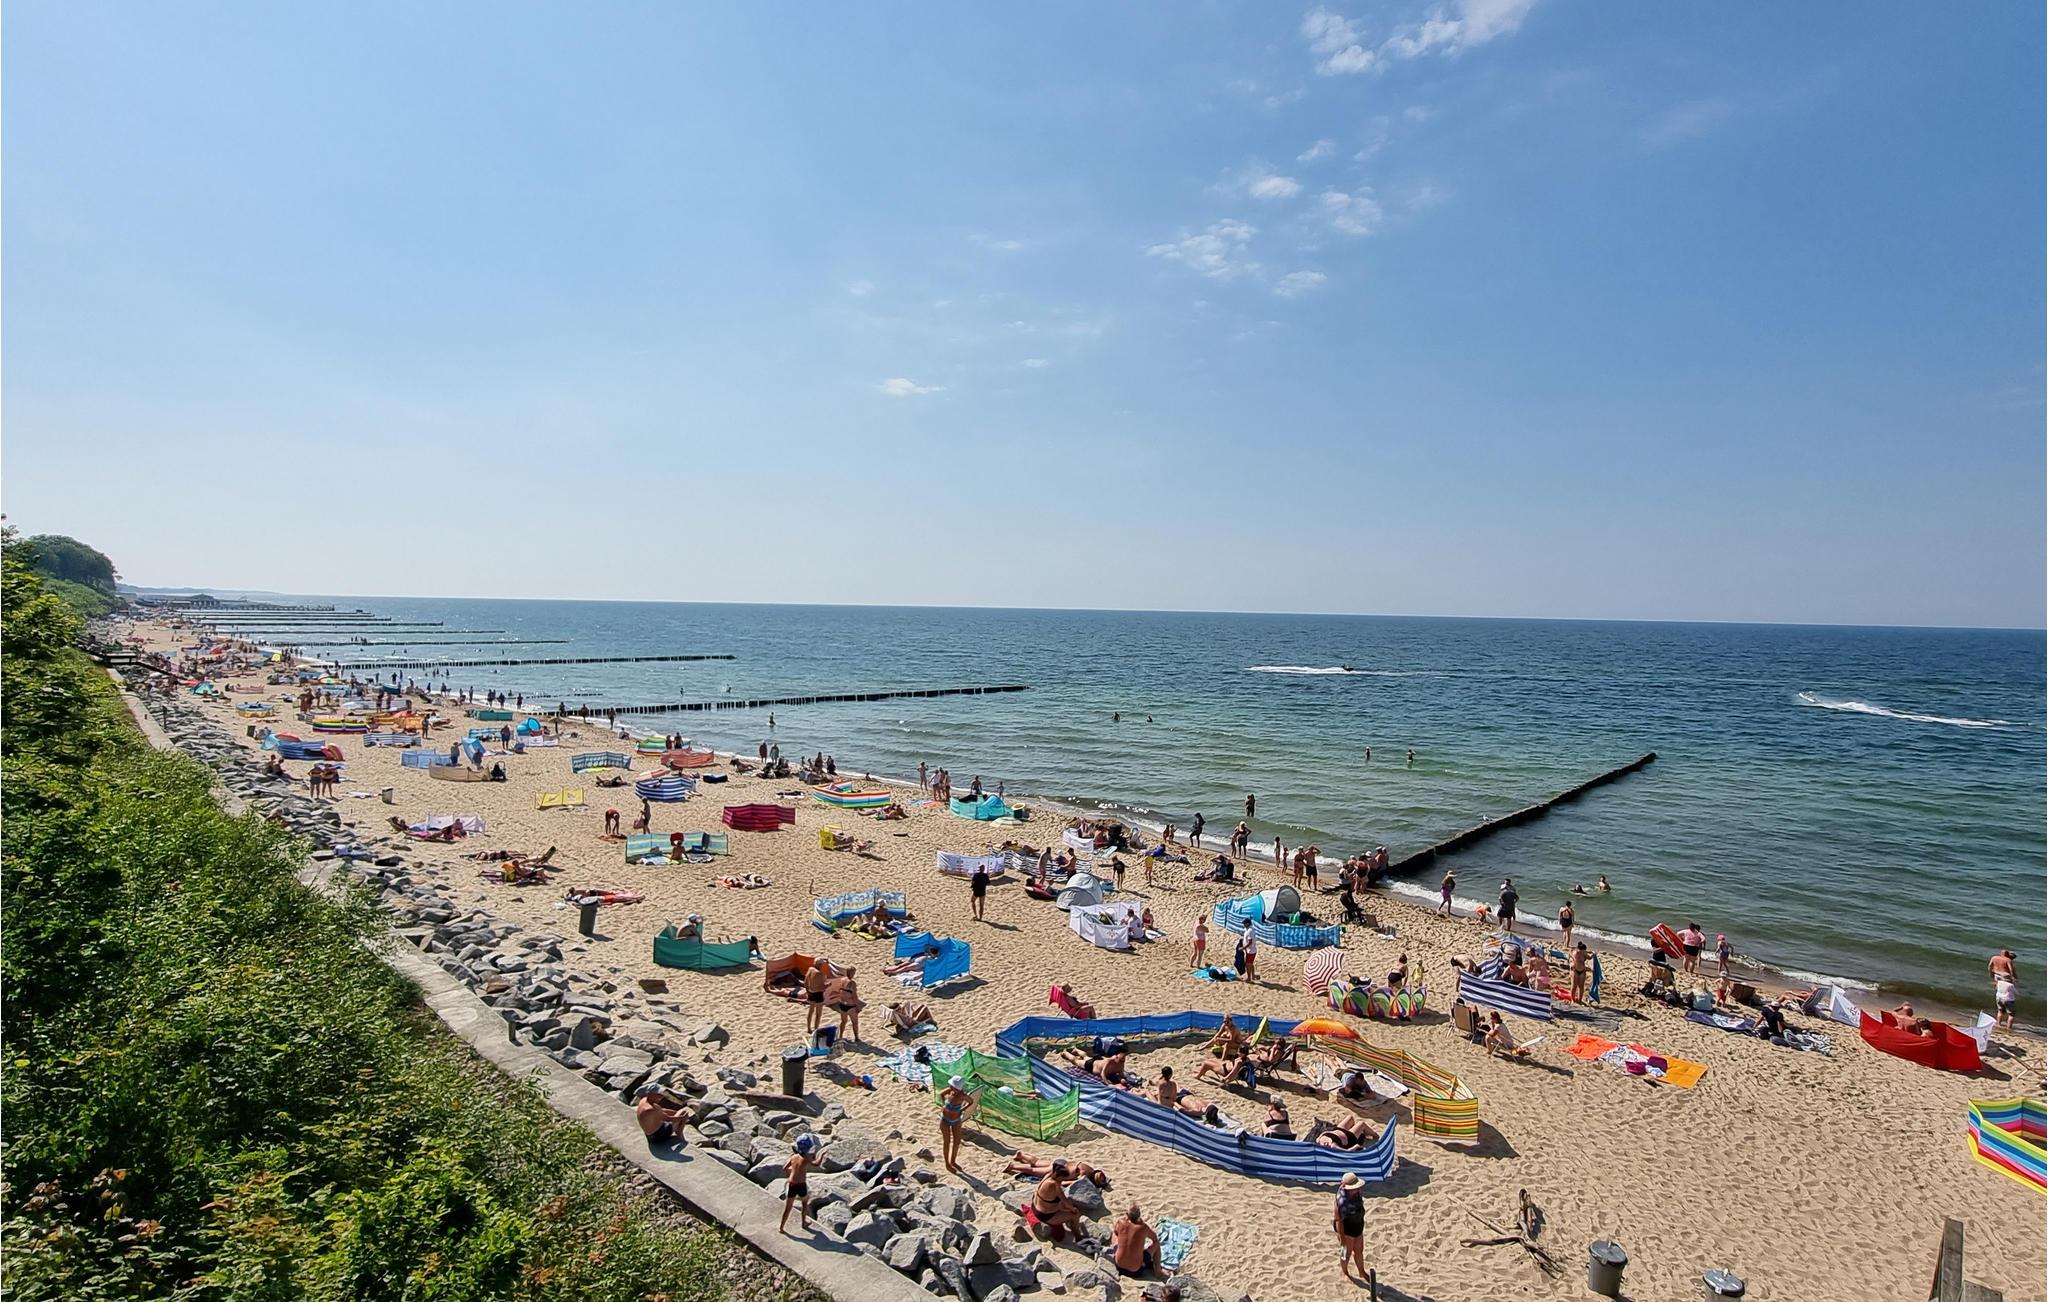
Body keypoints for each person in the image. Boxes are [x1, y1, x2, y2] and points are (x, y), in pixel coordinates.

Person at [1333, 1171, 1371, 1284]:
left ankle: (1361, 1271)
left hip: (1358, 1226)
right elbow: (1338, 1220)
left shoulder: (1357, 1192)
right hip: (1346, 1230)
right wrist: (1342, 1238)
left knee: (1359, 1251)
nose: (1357, 1189)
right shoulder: (1342, 1201)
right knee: (1346, 1253)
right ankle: (1345, 1272)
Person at [1031, 1167, 1085, 1237]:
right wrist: (1073, 1209)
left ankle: (1069, 1223)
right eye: (1062, 1179)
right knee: (1075, 1215)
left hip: (1035, 1207)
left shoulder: (1047, 1176)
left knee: (1063, 1205)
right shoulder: (1055, 1185)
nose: (1062, 1181)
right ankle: (1078, 1237)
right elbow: (1066, 1202)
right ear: (1059, 1177)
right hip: (1045, 1216)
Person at [1111, 1205, 1160, 1278]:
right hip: (1134, 1272)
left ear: (1127, 1214)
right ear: (1139, 1216)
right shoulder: (1143, 1227)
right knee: (1156, 1244)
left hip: (1118, 1266)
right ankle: (1158, 1271)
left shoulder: (1120, 1222)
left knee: (1115, 1233)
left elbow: (1116, 1232)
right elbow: (1155, 1238)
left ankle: (1116, 1251)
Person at [779, 1136, 814, 1233]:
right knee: (804, 1203)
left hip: (792, 1184)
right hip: (801, 1185)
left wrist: (792, 1174)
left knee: (788, 1207)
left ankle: (781, 1227)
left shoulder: (793, 1157)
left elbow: (785, 1168)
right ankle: (803, 1222)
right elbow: (816, 1163)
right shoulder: (806, 1158)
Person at [938, 1076, 973, 1172]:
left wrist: (962, 1109)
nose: (950, 1086)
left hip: (956, 1120)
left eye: (952, 1086)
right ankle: (947, 1164)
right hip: (945, 1120)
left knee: (957, 1142)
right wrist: (943, 1105)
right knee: (947, 1142)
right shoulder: (950, 1091)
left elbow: (971, 1102)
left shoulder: (963, 1096)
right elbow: (941, 1094)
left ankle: (953, 1161)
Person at [826, 967, 864, 1043]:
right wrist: (858, 1007)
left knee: (843, 1021)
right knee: (855, 1022)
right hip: (850, 1005)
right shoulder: (852, 983)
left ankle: (840, 1036)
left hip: (842, 1004)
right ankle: (856, 1038)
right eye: (853, 973)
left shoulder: (842, 980)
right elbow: (854, 997)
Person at [804, 959, 830, 1034]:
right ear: (819, 965)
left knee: (811, 1011)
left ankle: (809, 1028)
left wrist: (807, 991)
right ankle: (816, 1030)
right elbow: (821, 987)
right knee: (818, 1014)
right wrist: (828, 985)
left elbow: (805, 982)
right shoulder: (819, 974)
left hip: (811, 993)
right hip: (818, 994)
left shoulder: (810, 969)